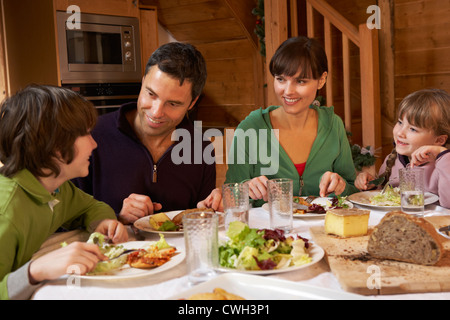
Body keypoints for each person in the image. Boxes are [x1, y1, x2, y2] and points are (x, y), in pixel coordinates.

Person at [0, 85, 128, 300]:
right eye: (86, 134)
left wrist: (102, 222)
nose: (94, 144)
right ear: (55, 146)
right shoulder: (6, 211)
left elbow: (91, 206)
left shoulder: (57, 188)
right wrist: (34, 270)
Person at [199, 36, 358, 209]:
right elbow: (229, 197)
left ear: (321, 79)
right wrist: (247, 188)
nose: (288, 91)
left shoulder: (333, 125)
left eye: (301, 81)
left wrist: (341, 185)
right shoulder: (250, 128)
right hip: (268, 233)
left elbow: (352, 191)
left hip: (324, 232)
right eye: (281, 79)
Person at [74, 42, 216, 225]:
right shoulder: (92, 136)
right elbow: (65, 225)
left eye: (173, 104)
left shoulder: (201, 148)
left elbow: (202, 223)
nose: (156, 112)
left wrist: (212, 209)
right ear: (143, 82)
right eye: (151, 94)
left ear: (192, 103)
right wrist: (116, 218)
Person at [355, 88, 450, 208]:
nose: (400, 133)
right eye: (400, 122)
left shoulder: (444, 165)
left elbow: (448, 204)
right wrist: (371, 185)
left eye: (413, 129)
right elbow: (383, 199)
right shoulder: (392, 160)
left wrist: (443, 154)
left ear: (439, 140)